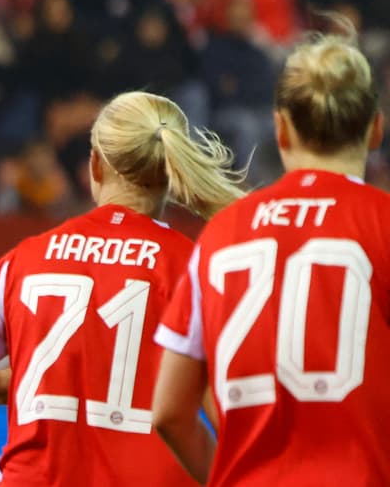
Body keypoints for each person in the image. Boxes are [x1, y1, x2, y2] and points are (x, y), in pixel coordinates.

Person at [0, 91, 244, 486]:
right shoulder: (193, 269)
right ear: (172, 172)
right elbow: (233, 426)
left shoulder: (24, 260)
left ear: (95, 164)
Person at [152, 31, 390, 485]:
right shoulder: (383, 223)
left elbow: (168, 411)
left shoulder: (221, 235)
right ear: (376, 128)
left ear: (280, 128)